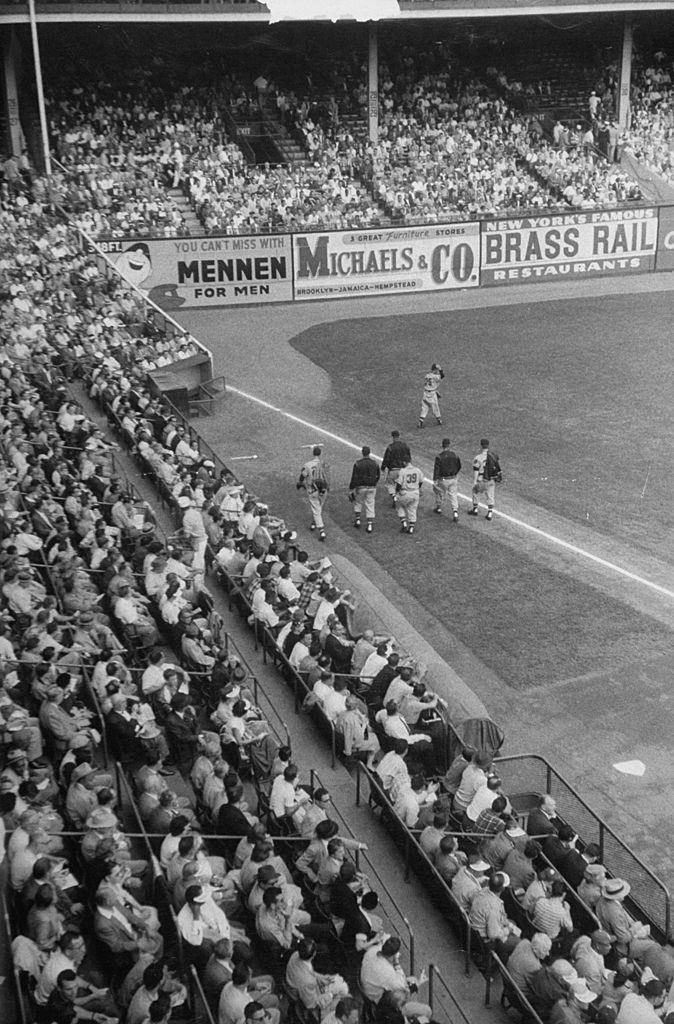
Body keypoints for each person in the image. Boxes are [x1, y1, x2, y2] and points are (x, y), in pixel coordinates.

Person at [297, 446, 329, 542]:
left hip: (313, 491)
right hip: (324, 490)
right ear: (320, 453)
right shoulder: (324, 464)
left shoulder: (307, 465)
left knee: (316, 510)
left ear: (313, 453)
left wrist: (300, 483)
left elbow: (302, 476)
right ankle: (313, 524)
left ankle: (322, 531)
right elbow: (328, 477)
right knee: (318, 509)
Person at [348, 446, 381, 534]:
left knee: (358, 502)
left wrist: (351, 489)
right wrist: (374, 483)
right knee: (370, 504)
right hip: (372, 487)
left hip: (361, 488)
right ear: (369, 453)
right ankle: (369, 525)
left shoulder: (358, 463)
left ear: (362, 453)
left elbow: (354, 477)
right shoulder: (375, 463)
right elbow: (378, 475)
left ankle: (358, 520)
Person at [467, 439, 501, 521]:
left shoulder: (478, 457)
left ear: (481, 445)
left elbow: (476, 471)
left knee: (475, 492)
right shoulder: (493, 456)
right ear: (488, 445)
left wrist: (474, 481)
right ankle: (490, 513)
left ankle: (475, 509)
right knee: (490, 496)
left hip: (481, 480)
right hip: (491, 480)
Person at [432, 438, 461, 522]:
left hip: (443, 479)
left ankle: (439, 508)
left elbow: (436, 469)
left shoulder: (439, 456)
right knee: (453, 495)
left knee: (440, 493)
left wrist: (435, 479)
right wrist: (455, 473)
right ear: (449, 445)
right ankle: (455, 512)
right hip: (453, 478)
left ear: (442, 445)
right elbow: (459, 466)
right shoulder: (455, 455)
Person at [395, 459, 424, 535]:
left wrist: (397, 493)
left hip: (405, 493)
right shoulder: (417, 470)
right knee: (413, 509)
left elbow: (399, 484)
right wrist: (417, 488)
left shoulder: (402, 471)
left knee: (399, 505)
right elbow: (421, 481)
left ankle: (404, 524)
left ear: (405, 462)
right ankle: (411, 528)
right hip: (415, 493)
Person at [380, 431, 410, 502]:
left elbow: (386, 459)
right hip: (403, 470)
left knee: (390, 484)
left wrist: (383, 468)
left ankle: (394, 496)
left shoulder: (390, 447)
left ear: (393, 437)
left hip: (393, 470)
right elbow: (409, 458)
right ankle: (401, 498)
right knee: (402, 486)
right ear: (399, 436)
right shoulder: (405, 446)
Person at [418, 363, 444, 428]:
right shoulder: (435, 377)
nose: (437, 371)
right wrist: (441, 369)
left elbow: (430, 385)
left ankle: (420, 422)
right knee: (435, 408)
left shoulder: (427, 375)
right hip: (432, 395)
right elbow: (442, 376)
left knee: (424, 408)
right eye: (437, 370)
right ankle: (439, 420)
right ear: (435, 370)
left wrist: (436, 391)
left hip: (425, 393)